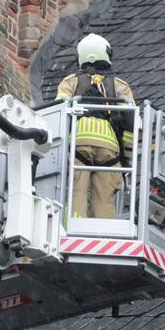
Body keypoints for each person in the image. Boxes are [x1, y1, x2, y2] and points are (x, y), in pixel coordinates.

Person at [55, 33, 134, 219]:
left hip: (78, 145)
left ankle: (73, 227)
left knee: (77, 193)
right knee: (105, 199)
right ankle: (105, 233)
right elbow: (131, 124)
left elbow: (58, 113)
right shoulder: (120, 86)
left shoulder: (70, 82)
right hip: (110, 149)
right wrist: (127, 159)